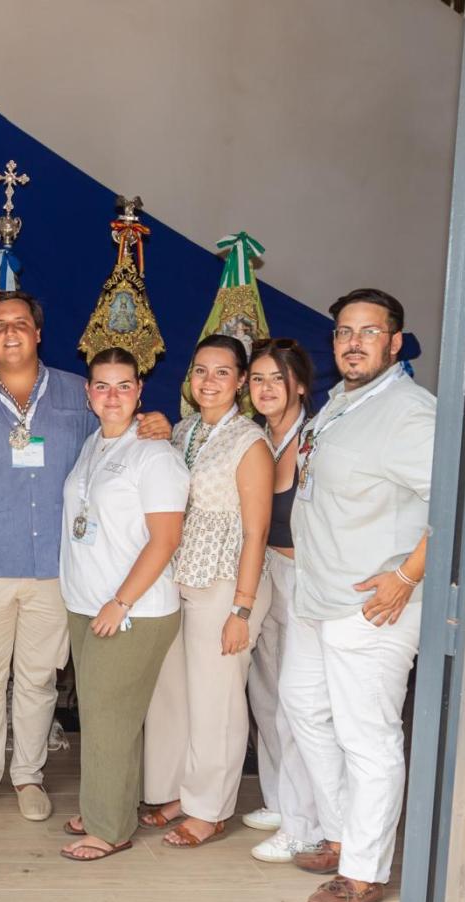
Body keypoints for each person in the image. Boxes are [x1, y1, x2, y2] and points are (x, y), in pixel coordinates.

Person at [0, 291, 170, 822]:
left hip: (57, 572)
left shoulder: (78, 395)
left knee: (38, 679)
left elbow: (118, 435)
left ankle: (28, 776)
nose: (10, 333)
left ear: (38, 333)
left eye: (20, 324)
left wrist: (156, 425)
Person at [281, 289, 434, 902]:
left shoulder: (409, 412)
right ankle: (346, 830)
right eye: (345, 331)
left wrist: (405, 575)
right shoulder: (341, 402)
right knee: (303, 706)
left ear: (395, 343)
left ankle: (365, 871)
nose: (353, 341)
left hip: (373, 605)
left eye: (369, 332)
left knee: (368, 739)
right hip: (320, 597)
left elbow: (460, 501)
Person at [56, 348, 188, 861]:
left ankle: (108, 830)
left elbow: (165, 538)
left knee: (109, 718)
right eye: (102, 386)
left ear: (139, 391)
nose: (112, 396)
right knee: (107, 714)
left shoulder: (155, 454)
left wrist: (120, 601)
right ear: (89, 394)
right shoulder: (94, 443)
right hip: (87, 602)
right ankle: (104, 807)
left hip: (133, 608)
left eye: (123, 386)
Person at [142, 333, 273, 848]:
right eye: (200, 370)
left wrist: (241, 608)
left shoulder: (250, 442)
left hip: (225, 585)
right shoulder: (184, 430)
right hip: (180, 579)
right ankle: (179, 790)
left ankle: (210, 808)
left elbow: (257, 531)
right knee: (175, 694)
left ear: (241, 381)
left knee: (217, 700)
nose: (209, 381)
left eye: (222, 372)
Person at [243, 338, 322, 863]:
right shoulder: (258, 439)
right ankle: (278, 799)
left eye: (276, 378)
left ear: (298, 385)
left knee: (298, 703)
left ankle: (305, 825)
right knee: (265, 693)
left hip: (304, 576)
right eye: (257, 379)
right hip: (265, 568)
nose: (266, 388)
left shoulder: (316, 439)